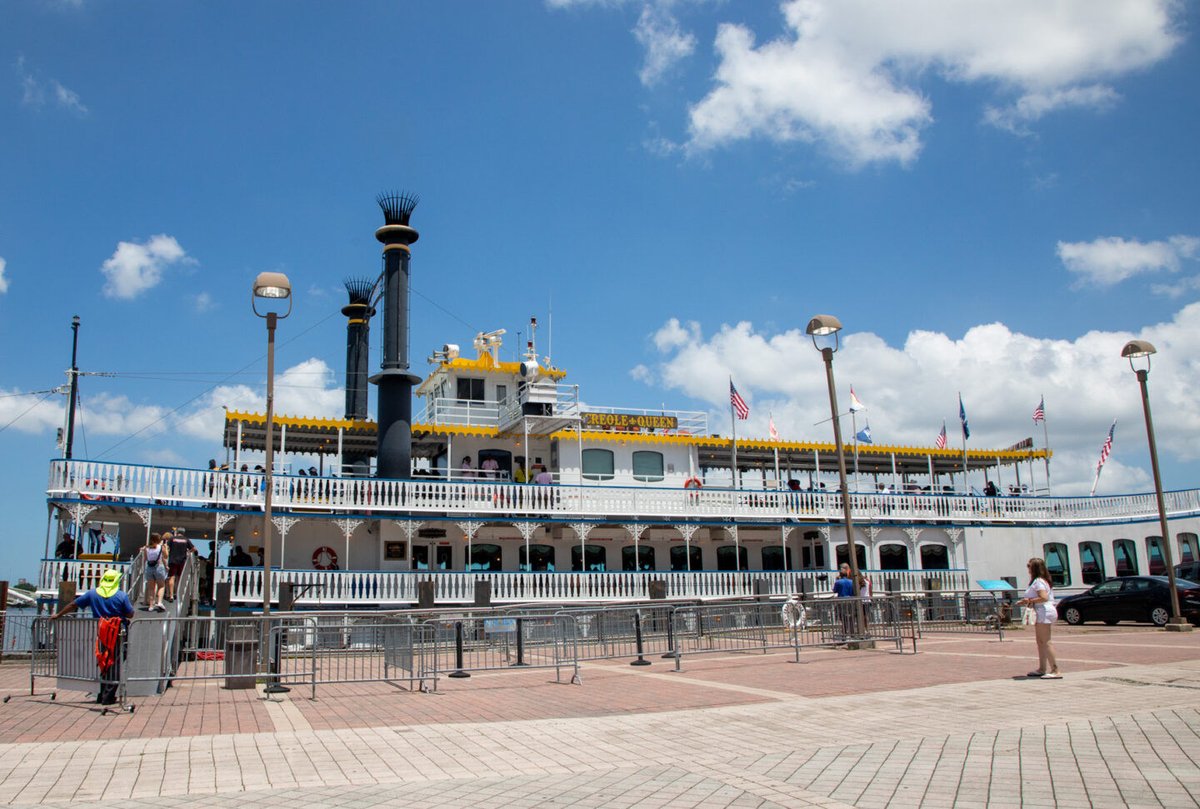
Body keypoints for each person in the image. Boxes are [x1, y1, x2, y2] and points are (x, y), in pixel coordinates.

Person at [51, 569, 134, 705]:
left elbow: (74, 604)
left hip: (101, 631)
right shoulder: (121, 596)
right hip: (118, 632)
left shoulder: (93, 593)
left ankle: (102, 694)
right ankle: (108, 696)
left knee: (104, 661)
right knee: (116, 662)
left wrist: (58, 614)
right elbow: (130, 614)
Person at [1018, 557, 1061, 679]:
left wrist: (1029, 600)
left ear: (1034, 568)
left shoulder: (1039, 581)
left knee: (1046, 641)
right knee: (1040, 641)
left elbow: (1044, 597)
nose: (1028, 568)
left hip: (1044, 611)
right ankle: (1042, 668)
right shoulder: (1040, 581)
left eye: (1029, 566)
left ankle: (1055, 669)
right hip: (1042, 610)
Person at [163, 528, 196, 602]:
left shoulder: (172, 539)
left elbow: (166, 547)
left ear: (177, 532)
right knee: (179, 578)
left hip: (172, 560)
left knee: (172, 577)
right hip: (182, 561)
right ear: (184, 533)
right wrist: (188, 552)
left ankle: (171, 595)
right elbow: (194, 549)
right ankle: (177, 594)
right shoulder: (186, 540)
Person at [142, 532, 167, 611]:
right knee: (161, 586)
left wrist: (143, 568)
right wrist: (165, 548)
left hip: (149, 567)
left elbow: (145, 558)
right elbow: (166, 556)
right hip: (159, 567)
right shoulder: (161, 547)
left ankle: (151, 606)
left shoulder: (147, 548)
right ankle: (159, 602)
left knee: (151, 588)